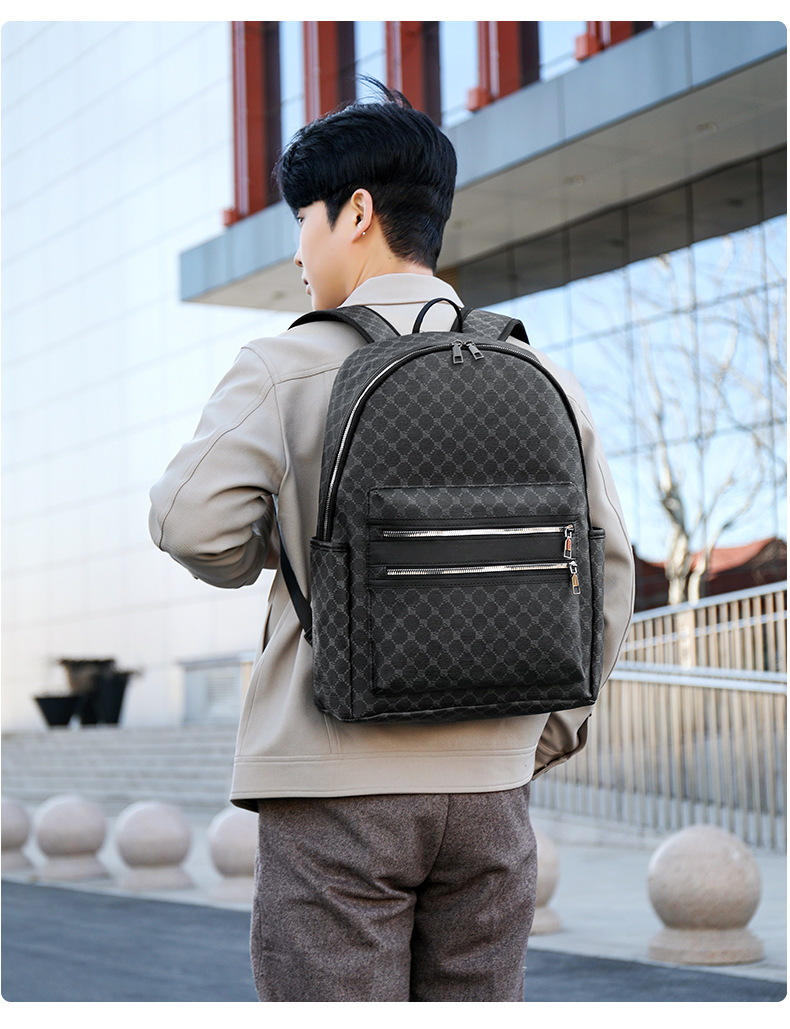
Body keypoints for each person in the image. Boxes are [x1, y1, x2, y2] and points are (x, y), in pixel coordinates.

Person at [149, 82, 635, 1002]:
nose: (298, 251)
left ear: (358, 212)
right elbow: (609, 577)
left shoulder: (285, 365)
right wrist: (531, 739)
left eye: (305, 220)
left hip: (333, 791)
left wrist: (288, 543)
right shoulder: (538, 373)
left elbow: (189, 524)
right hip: (491, 799)